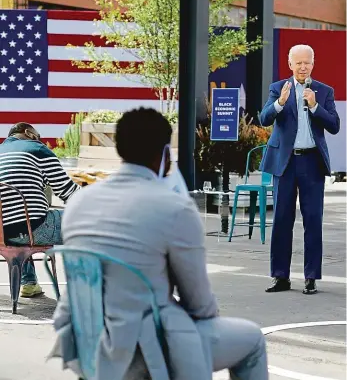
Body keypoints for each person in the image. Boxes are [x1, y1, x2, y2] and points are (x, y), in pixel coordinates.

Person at [51, 108, 268, 380]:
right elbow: (199, 303)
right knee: (252, 339)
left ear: (119, 148)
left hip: (87, 340)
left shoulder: (79, 203)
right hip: (149, 348)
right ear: (166, 154)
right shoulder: (174, 208)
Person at [260, 44, 340, 295]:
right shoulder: (277, 89)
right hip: (284, 163)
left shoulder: (324, 91)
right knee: (282, 220)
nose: (303, 67)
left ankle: (311, 278)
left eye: (307, 62)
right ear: (290, 64)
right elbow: (264, 119)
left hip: (312, 163)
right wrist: (280, 103)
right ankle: (280, 277)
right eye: (299, 63)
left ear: (313, 64)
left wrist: (316, 107)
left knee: (313, 221)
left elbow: (335, 125)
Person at [0, 123, 80, 297]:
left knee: (22, 218)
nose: (41, 140)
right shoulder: (37, 149)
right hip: (31, 231)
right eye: (39, 136)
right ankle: (88, 286)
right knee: (85, 222)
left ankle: (28, 283)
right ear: (28, 132)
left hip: (2, 234)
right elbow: (67, 192)